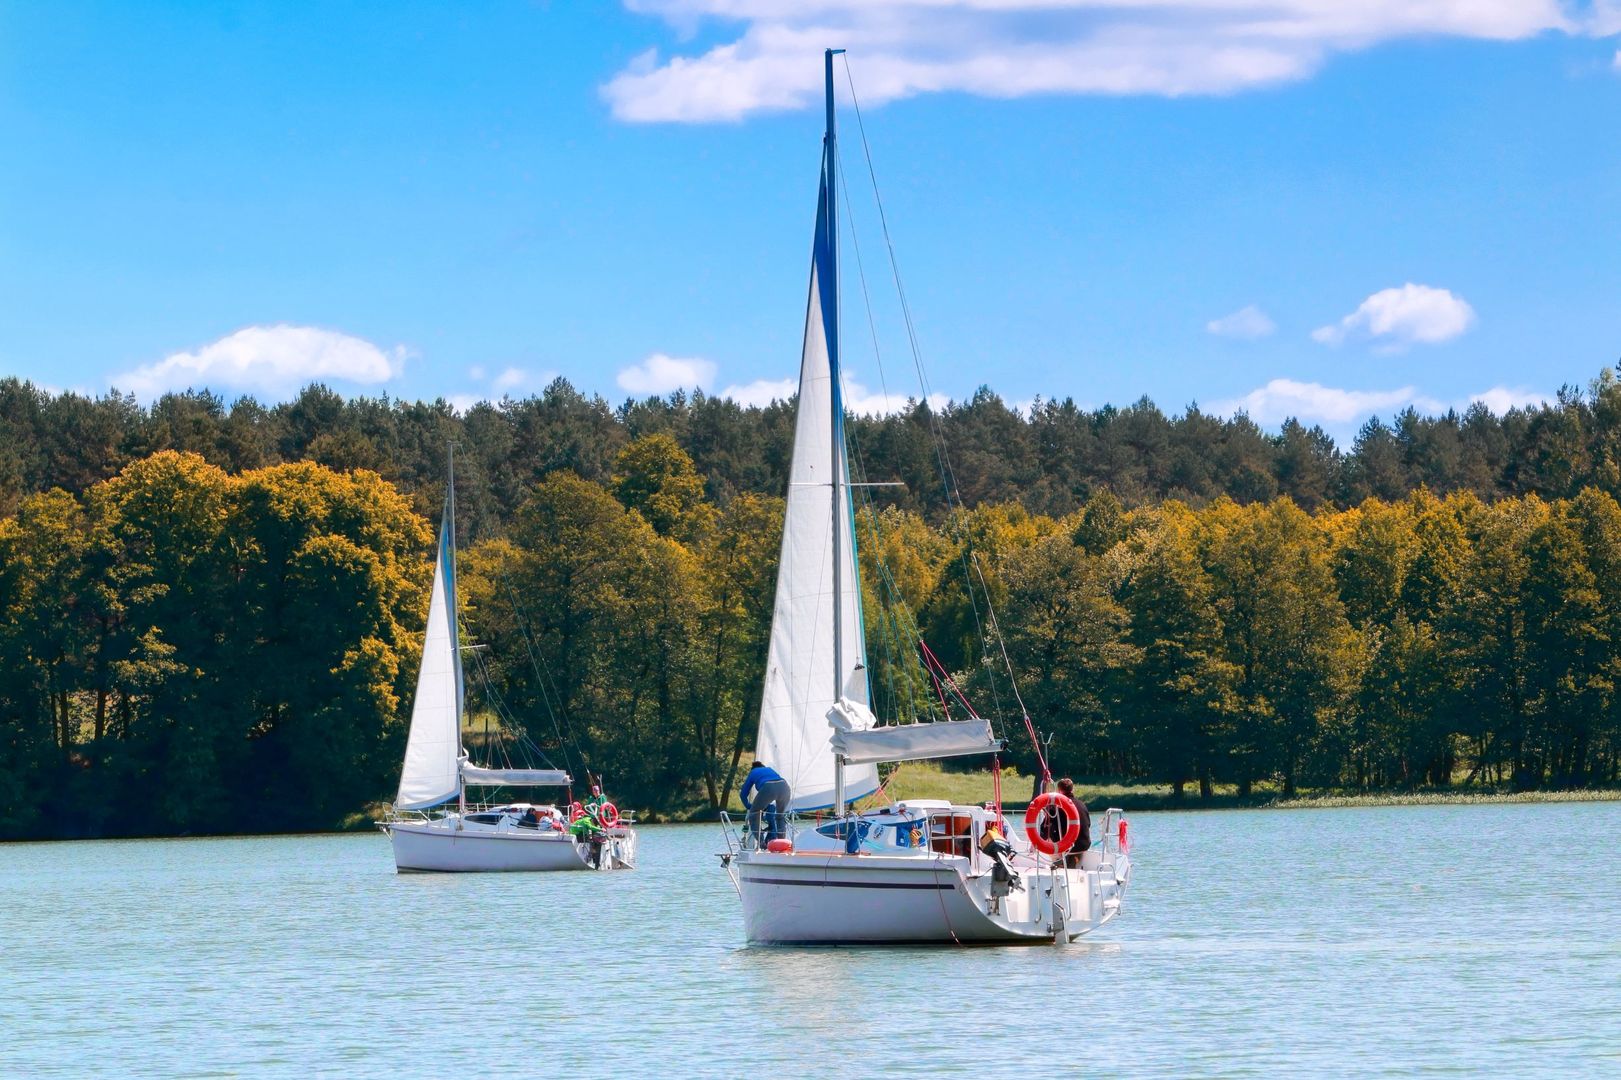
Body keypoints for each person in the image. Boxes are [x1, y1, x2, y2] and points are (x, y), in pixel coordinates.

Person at [740, 761, 791, 847]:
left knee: (754, 815)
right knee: (780, 816)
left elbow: (743, 793)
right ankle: (782, 842)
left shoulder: (753, 772)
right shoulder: (769, 769)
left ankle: (761, 843)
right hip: (784, 786)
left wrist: (749, 806)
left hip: (769, 787)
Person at [1048, 777, 1092, 869]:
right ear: (1072, 789)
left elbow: (1048, 828)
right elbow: (1088, 824)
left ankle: (1058, 863)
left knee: (1046, 837)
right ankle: (1068, 862)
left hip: (1068, 848)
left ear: (1059, 791)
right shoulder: (1082, 804)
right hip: (1083, 846)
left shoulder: (1056, 807)